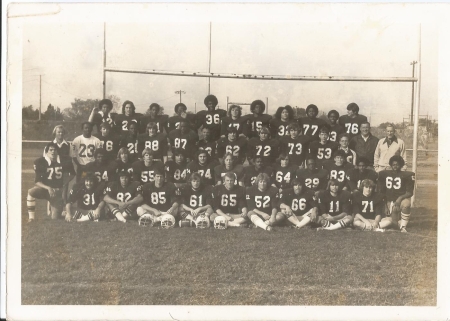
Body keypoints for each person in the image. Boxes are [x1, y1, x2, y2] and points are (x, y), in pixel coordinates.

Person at [27, 143, 75, 222]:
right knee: (31, 192)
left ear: (57, 151)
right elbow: (37, 182)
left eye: (55, 150)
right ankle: (31, 217)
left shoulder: (64, 160)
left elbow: (73, 174)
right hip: (45, 190)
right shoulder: (40, 161)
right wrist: (48, 188)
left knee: (55, 218)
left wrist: (65, 182)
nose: (53, 152)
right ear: (46, 152)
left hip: (57, 192)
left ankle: (63, 212)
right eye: (51, 150)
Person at [377, 155, 415, 232]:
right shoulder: (384, 174)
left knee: (406, 204)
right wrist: (385, 205)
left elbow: (410, 192)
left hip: (400, 201)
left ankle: (403, 227)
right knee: (393, 223)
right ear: (391, 165)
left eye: (397, 164)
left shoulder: (407, 175)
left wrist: (400, 198)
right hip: (389, 201)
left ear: (400, 165)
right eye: (393, 164)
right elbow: (381, 192)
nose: (395, 166)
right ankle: (398, 223)